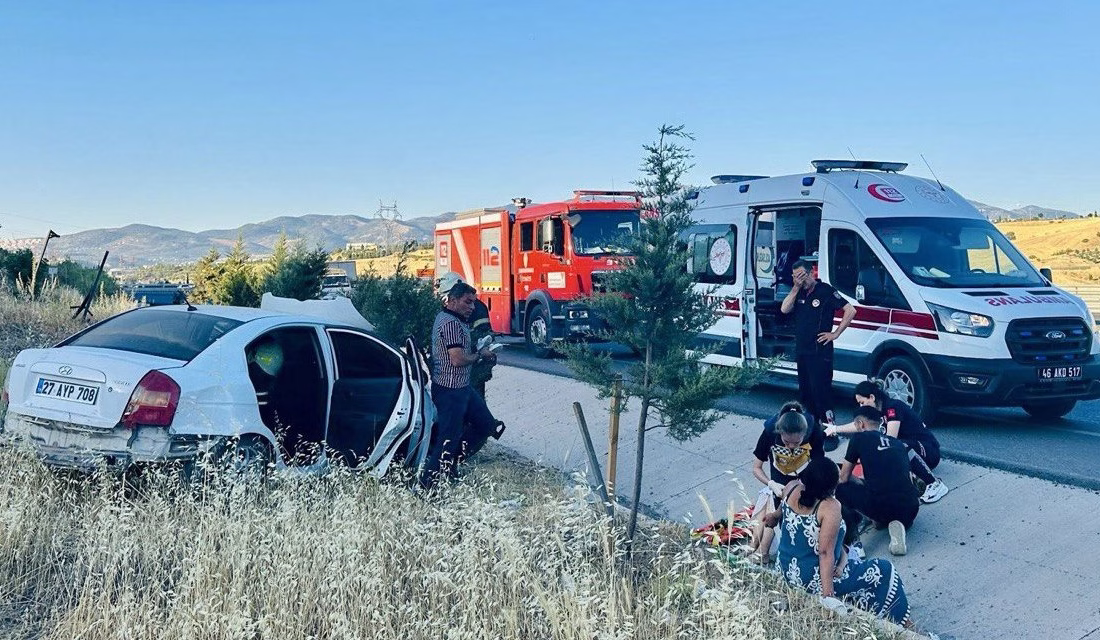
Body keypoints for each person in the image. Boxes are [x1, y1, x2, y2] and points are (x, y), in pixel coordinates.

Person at [763, 457, 911, 625]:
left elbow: (781, 510)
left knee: (852, 564)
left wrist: (774, 517)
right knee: (884, 570)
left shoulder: (791, 487)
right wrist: (828, 595)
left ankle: (872, 615)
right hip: (810, 578)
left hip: (784, 570)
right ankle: (901, 623)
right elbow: (825, 553)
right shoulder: (830, 507)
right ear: (832, 486)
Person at [422, 281, 500, 487]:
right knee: (448, 439)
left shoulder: (452, 319)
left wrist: (477, 349)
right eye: (467, 302)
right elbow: (457, 359)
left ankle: (449, 465)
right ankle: (428, 485)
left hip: (462, 387)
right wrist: (480, 355)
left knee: (486, 425)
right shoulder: (451, 324)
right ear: (452, 300)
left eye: (473, 302)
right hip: (450, 390)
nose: (472, 307)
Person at [825, 380, 949, 504]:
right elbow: (859, 423)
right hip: (912, 450)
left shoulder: (892, 407)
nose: (861, 407)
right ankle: (912, 481)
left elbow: (890, 440)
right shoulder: (877, 412)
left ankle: (934, 484)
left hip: (927, 450)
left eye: (862, 402)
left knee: (894, 446)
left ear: (872, 397)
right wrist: (835, 429)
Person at [780, 260, 856, 427]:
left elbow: (850, 310)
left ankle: (830, 429)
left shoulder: (825, 290)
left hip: (820, 352)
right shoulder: (798, 292)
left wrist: (835, 333)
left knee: (821, 393)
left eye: (801, 275)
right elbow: (784, 309)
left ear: (811, 272)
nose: (799, 280)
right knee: (806, 393)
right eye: (795, 276)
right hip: (802, 351)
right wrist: (795, 288)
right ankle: (812, 428)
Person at [836, 406, 921, 556]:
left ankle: (855, 543)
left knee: (840, 490)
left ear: (860, 424)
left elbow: (844, 478)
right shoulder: (897, 443)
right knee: (887, 491)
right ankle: (895, 523)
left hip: (881, 505)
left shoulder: (859, 438)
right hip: (911, 507)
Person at [750, 402, 826, 563]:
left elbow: (819, 464)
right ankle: (766, 551)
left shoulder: (814, 430)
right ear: (779, 432)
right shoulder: (770, 432)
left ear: (805, 433)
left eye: (797, 443)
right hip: (779, 485)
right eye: (786, 442)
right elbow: (756, 467)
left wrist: (807, 484)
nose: (791, 446)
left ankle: (769, 553)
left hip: (805, 484)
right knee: (780, 520)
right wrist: (771, 484)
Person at [436, 271, 495, 399]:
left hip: (473, 366)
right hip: (455, 371)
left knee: (475, 399)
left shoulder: (477, 308)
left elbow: (484, 333)